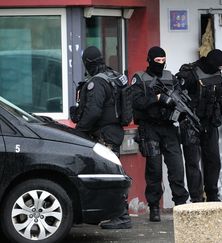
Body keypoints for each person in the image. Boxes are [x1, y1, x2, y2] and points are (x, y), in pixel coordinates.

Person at [75, 46, 131, 229]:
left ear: (88, 63)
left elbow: (93, 111)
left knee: (111, 175)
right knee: (109, 175)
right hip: (113, 132)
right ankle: (107, 214)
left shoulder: (97, 82)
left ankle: (122, 217)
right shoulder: (114, 76)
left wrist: (79, 131)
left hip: (104, 135)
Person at [131, 46, 189, 222]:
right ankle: (154, 207)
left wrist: (178, 106)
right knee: (154, 170)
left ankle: (180, 205)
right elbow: (136, 101)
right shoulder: (139, 78)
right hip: (150, 128)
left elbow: (180, 96)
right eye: (157, 61)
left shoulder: (170, 77)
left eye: (163, 61)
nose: (161, 64)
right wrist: (156, 99)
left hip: (169, 127)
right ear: (149, 60)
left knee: (177, 168)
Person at [176, 49, 222, 202]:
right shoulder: (189, 73)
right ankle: (196, 198)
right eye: (219, 66)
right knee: (193, 162)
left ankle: (212, 195)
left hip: (210, 123)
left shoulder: (217, 74)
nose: (220, 70)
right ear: (212, 63)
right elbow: (178, 97)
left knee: (213, 160)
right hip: (191, 123)